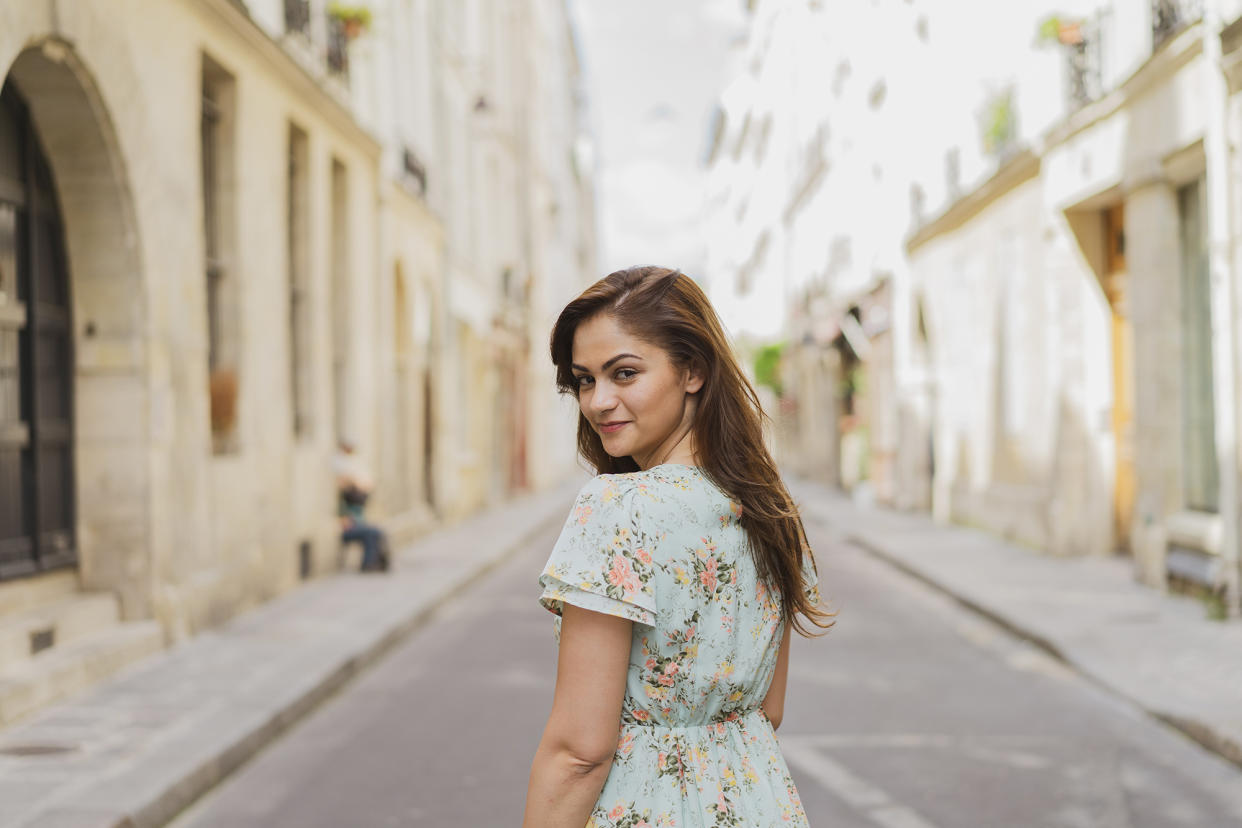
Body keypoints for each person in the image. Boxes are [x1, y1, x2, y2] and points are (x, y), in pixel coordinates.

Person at [524, 266, 834, 827]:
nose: (598, 402)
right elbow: (769, 709)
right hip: (760, 805)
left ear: (692, 370)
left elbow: (579, 751)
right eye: (585, 380)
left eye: (624, 373)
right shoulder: (769, 508)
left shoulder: (618, 508)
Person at [335, 438, 390, 572]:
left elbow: (367, 484)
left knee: (378, 532)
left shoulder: (355, 488)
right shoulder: (342, 495)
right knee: (371, 533)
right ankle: (368, 564)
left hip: (356, 524)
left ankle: (377, 563)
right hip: (348, 527)